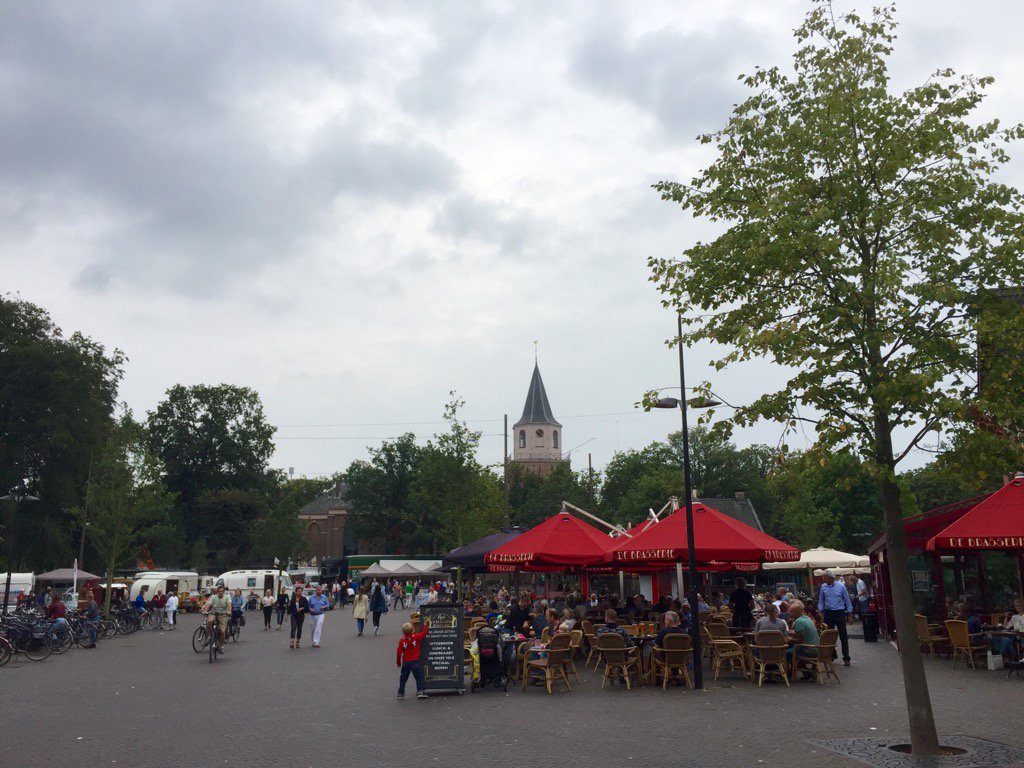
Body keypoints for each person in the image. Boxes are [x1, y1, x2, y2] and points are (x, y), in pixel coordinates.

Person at [817, 570, 853, 666]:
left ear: (830, 578)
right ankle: (830, 656)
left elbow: (847, 600)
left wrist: (850, 614)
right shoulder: (823, 587)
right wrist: (820, 610)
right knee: (828, 636)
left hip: (839, 612)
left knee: (843, 636)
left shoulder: (841, 587)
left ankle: (846, 657)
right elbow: (821, 600)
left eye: (824, 577)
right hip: (828, 613)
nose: (822, 578)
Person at [396, 621, 429, 699]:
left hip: (406, 662)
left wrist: (398, 662)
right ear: (412, 630)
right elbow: (423, 634)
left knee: (403, 678)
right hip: (415, 660)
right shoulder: (416, 637)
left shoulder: (402, 640)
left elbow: (399, 652)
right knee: (418, 677)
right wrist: (425, 625)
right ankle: (420, 691)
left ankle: (400, 693)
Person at [787, 600, 819, 679]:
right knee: (793, 650)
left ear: (797, 612)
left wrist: (789, 640)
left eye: (791, 612)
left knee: (786, 653)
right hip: (817, 648)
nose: (789, 614)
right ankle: (806, 673)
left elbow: (801, 640)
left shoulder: (799, 621)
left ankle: (804, 673)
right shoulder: (807, 618)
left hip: (808, 650)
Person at [202, 584, 232, 650]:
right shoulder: (213, 597)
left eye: (222, 591)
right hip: (213, 613)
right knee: (209, 621)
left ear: (224, 592)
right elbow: (209, 604)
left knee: (222, 631)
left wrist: (229, 611)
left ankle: (221, 646)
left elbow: (229, 605)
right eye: (219, 591)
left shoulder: (227, 597)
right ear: (217, 592)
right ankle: (209, 637)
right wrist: (206, 611)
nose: (220, 592)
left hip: (223, 614)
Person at [288, 585, 309, 649]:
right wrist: (287, 614)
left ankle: (297, 642)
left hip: (301, 615)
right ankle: (292, 642)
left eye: (301, 591)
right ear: (296, 592)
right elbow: (290, 607)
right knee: (293, 627)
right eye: (298, 591)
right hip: (294, 615)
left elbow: (307, 608)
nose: (300, 592)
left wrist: (302, 608)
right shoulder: (293, 599)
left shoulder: (304, 599)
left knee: (299, 628)